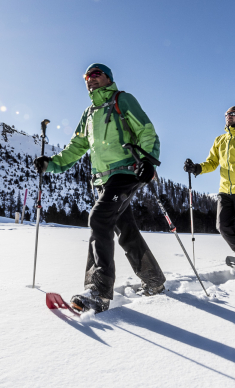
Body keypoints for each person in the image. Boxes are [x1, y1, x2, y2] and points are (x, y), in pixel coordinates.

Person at [34, 64, 165, 313]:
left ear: (108, 78)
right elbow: (77, 146)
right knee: (125, 229)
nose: (90, 79)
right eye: (86, 76)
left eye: (96, 75)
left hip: (126, 172)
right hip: (103, 179)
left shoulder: (122, 100)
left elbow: (146, 130)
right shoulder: (89, 113)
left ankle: (98, 291)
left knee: (100, 218)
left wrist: (148, 160)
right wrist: (51, 164)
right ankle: (154, 280)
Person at [184, 106, 235, 280]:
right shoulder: (220, 140)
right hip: (225, 191)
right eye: (226, 114)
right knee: (223, 227)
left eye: (233, 114)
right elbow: (212, 162)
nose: (228, 116)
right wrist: (197, 168)